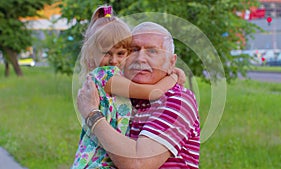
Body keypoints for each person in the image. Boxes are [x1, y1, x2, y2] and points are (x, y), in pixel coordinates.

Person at [77, 21, 200, 169]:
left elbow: (138, 164)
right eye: (134, 50)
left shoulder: (178, 100)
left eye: (152, 51)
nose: (140, 58)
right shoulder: (122, 97)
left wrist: (93, 115)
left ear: (171, 62)